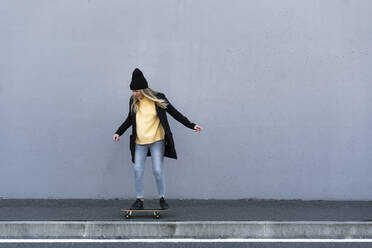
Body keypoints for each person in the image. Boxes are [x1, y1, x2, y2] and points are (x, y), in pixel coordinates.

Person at [113, 68, 202, 210]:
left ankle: (162, 198)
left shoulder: (158, 98)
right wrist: (119, 132)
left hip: (156, 140)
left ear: (143, 89)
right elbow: (130, 119)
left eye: (136, 91)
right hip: (140, 142)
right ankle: (139, 200)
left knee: (157, 170)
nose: (134, 94)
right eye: (133, 91)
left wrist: (191, 125)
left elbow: (174, 112)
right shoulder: (133, 101)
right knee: (137, 169)